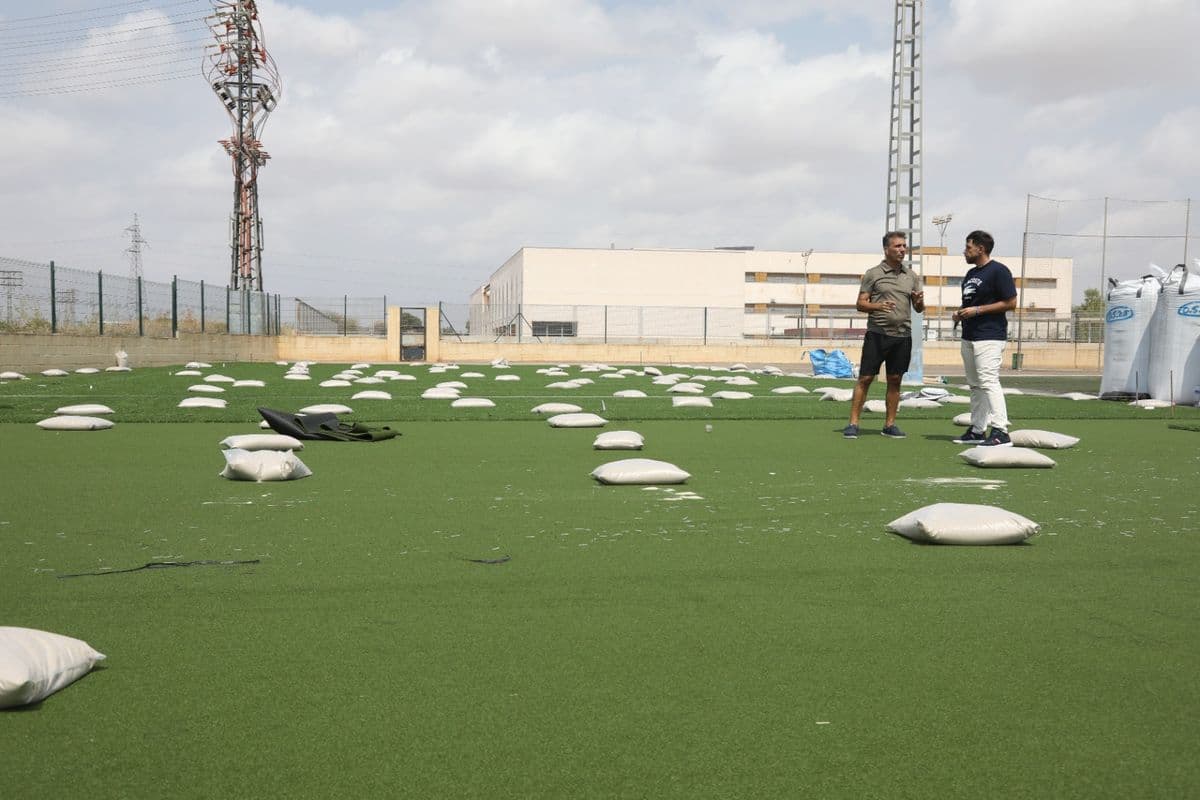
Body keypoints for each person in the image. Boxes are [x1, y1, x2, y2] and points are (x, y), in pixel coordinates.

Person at [843, 231, 924, 439]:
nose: (902, 250)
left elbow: (919, 308)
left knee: (895, 379)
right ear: (886, 249)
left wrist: (918, 301)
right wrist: (878, 306)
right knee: (866, 378)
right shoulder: (873, 273)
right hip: (877, 335)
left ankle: (889, 425)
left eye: (904, 246)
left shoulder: (912, 276)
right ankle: (853, 423)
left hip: (903, 336)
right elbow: (860, 304)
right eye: (897, 246)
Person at [951, 230, 1018, 447]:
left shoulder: (999, 271)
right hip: (969, 336)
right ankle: (978, 429)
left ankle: (1000, 430)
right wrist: (960, 312)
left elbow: (1011, 302)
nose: (965, 251)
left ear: (981, 249)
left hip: (989, 336)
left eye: (968, 247)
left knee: (988, 381)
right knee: (975, 385)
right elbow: (971, 303)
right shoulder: (971, 274)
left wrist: (978, 310)